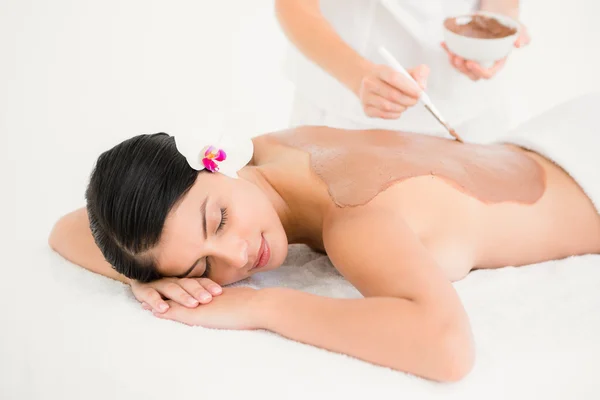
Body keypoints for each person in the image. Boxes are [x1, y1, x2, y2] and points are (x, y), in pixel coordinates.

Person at [48, 94, 600, 382]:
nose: (237, 256)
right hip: (558, 134)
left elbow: (447, 348)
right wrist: (144, 275)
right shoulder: (268, 151)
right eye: (201, 269)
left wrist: (262, 309)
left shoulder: (354, 219)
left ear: (214, 164)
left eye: (217, 223)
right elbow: (69, 228)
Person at [276, 0, 531, 139]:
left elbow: (502, 3)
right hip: (349, 114)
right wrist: (357, 74)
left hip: (473, 107)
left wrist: (496, 24)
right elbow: (294, 6)